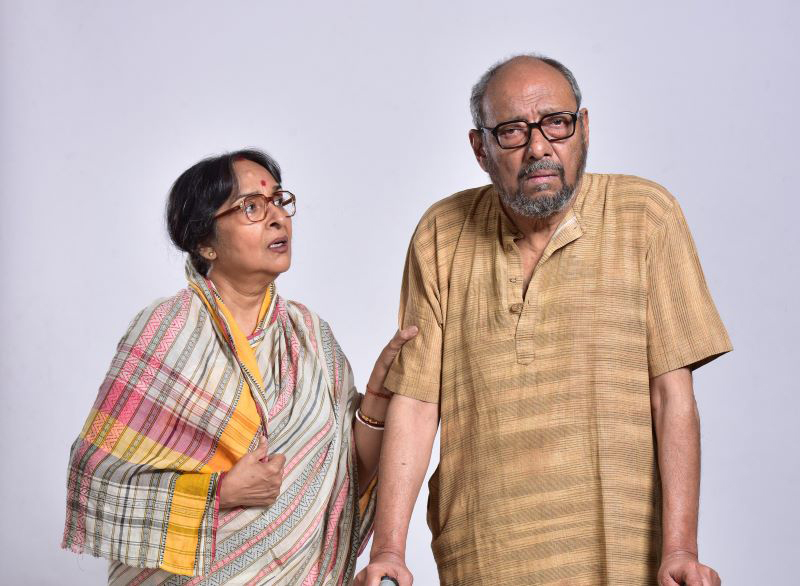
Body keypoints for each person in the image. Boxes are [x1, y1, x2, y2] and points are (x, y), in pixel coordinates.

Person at [356, 55, 731, 586]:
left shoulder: (646, 216)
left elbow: (672, 397)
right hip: (484, 555)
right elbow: (417, 403)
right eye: (512, 131)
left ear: (584, 128)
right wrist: (389, 550)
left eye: (557, 123)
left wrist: (680, 549)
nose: (538, 148)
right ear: (480, 149)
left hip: (625, 557)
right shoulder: (442, 233)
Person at [62, 149, 416, 585]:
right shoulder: (168, 330)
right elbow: (98, 480)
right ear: (204, 243)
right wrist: (220, 492)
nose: (277, 219)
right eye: (251, 207)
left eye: (278, 201)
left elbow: (346, 477)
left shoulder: (310, 337)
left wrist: (376, 399)